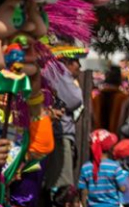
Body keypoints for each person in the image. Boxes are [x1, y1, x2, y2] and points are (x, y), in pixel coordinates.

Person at [44, 45, 85, 200]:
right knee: (62, 187)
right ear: (67, 62)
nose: (79, 66)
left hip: (57, 133)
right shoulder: (59, 71)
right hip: (59, 135)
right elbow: (74, 100)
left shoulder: (54, 70)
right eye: (76, 62)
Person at [78, 130, 129, 207]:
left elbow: (83, 191)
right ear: (109, 148)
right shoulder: (115, 166)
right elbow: (123, 188)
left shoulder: (86, 167)